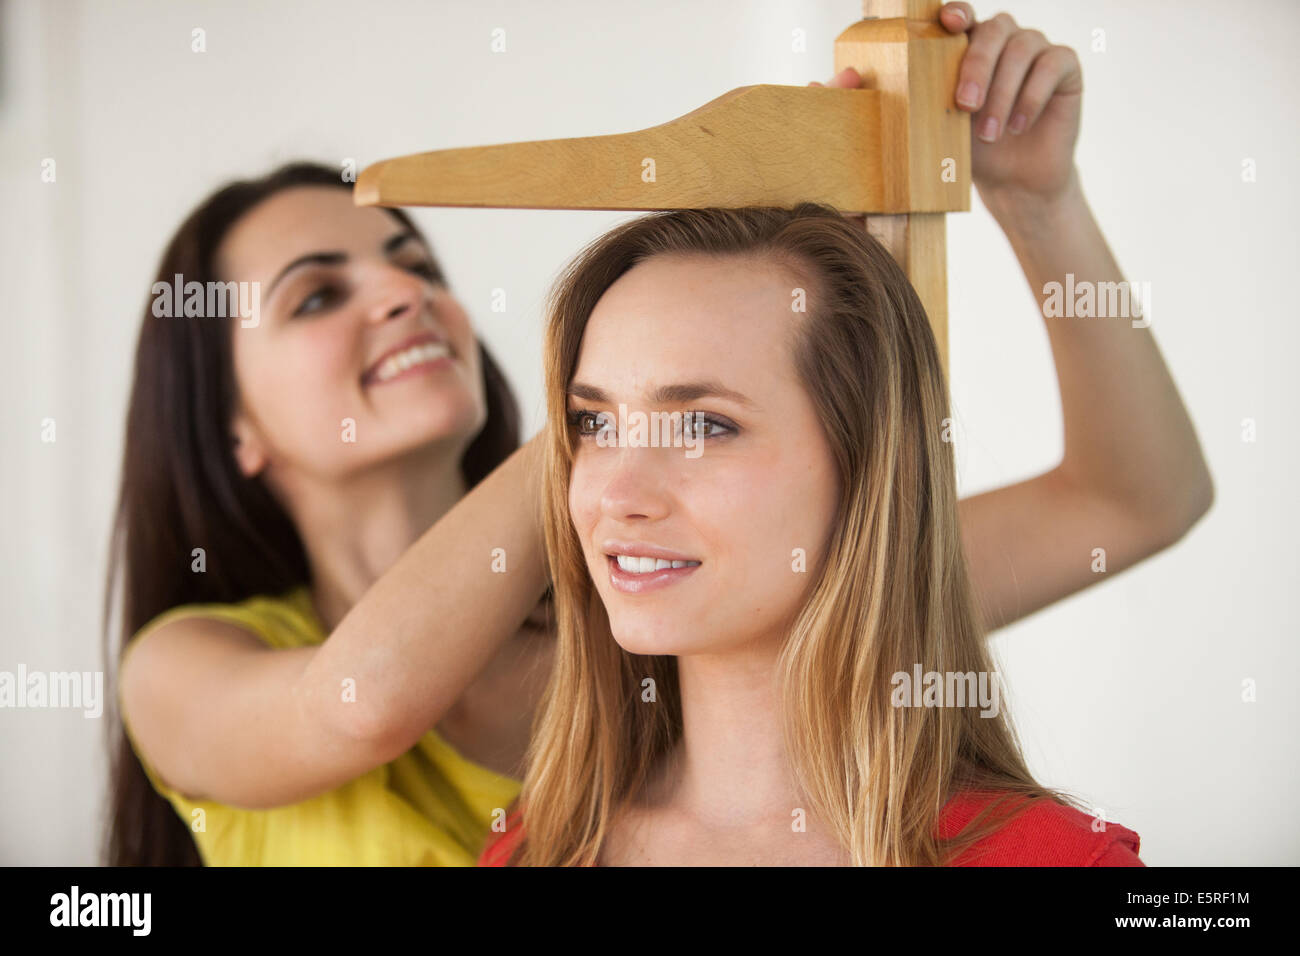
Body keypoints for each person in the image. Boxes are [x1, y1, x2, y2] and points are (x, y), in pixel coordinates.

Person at [110, 3, 1210, 866]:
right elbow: (364, 704)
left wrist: (1037, 198)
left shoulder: (694, 589)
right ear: (230, 423)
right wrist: (662, 362)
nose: (399, 295)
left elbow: (1130, 501)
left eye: (414, 262)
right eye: (315, 296)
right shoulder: (190, 661)